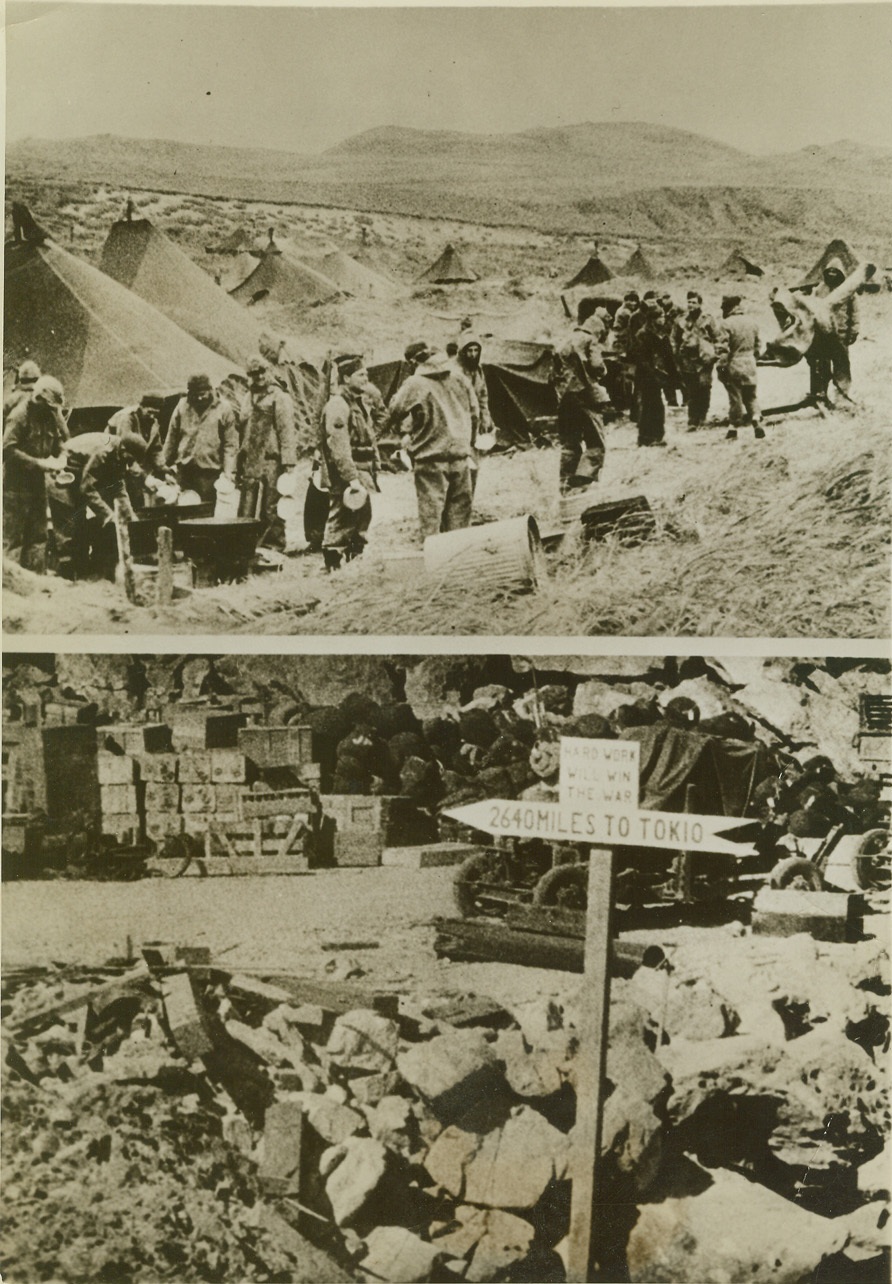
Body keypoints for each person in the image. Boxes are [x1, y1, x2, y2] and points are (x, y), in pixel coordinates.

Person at [385, 341, 478, 541]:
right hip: (460, 455)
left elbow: (395, 410)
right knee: (460, 518)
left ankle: (435, 562)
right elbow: (475, 413)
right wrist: (469, 443)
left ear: (412, 361)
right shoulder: (459, 377)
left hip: (431, 457)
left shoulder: (415, 383)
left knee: (432, 518)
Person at [49, 431, 159, 579]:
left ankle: (84, 575)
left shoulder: (121, 455)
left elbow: (118, 488)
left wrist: (130, 516)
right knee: (70, 528)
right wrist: (109, 515)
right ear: (124, 450)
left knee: (84, 527)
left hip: (79, 476)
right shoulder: (104, 453)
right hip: (61, 477)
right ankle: (66, 577)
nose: (130, 464)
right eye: (131, 459)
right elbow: (86, 489)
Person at [318, 354, 379, 571]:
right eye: (360, 374)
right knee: (342, 518)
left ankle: (355, 561)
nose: (366, 379)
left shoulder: (357, 403)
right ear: (346, 378)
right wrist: (351, 478)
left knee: (361, 517)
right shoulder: (338, 405)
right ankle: (332, 564)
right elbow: (338, 444)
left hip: (361, 471)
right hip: (346, 474)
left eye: (366, 374)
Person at [3, 375, 69, 572]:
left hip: (38, 485)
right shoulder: (19, 417)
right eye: (50, 406)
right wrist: (38, 463)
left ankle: (36, 585)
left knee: (39, 537)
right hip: (15, 487)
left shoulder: (49, 416)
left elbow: (60, 442)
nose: (53, 411)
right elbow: (7, 450)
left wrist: (62, 457)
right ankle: (10, 591)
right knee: (14, 539)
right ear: (38, 399)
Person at [238, 357, 298, 550]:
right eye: (254, 374)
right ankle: (248, 546)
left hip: (271, 460)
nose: (259, 377)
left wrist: (289, 463)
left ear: (268, 371)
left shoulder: (279, 397)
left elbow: (286, 430)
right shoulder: (247, 398)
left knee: (272, 505)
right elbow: (243, 428)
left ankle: (274, 545)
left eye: (262, 372)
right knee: (247, 505)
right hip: (251, 460)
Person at [552, 310, 609, 490]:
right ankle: (583, 481)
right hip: (585, 397)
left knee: (569, 444)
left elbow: (552, 373)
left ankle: (565, 483)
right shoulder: (590, 340)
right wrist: (601, 373)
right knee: (596, 443)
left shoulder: (565, 340)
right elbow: (597, 365)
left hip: (565, 399)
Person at [163, 375, 237, 505]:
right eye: (194, 394)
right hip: (185, 472)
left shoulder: (224, 409)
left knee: (207, 512)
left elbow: (230, 444)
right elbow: (171, 438)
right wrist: (163, 467)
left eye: (202, 394)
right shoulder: (182, 406)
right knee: (184, 509)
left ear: (210, 390)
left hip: (210, 473)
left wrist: (228, 472)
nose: (199, 398)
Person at [716, 295, 764, 441]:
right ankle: (756, 418)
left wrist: (721, 367)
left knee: (735, 397)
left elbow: (722, 349)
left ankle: (733, 428)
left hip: (734, 364)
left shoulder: (725, 324)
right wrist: (753, 358)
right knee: (751, 395)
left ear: (728, 307)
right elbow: (758, 346)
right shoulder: (752, 322)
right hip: (750, 363)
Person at [811, 261, 859, 402]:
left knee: (841, 366)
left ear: (841, 274)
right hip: (822, 335)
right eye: (829, 271)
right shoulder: (819, 289)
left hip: (840, 335)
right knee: (821, 365)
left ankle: (842, 395)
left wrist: (854, 331)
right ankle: (819, 394)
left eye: (835, 271)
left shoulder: (849, 291)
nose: (832, 274)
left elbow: (855, 313)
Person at [671, 291, 720, 430]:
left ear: (699, 304)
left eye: (694, 302)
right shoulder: (680, 320)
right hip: (687, 359)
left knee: (704, 387)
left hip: (704, 360)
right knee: (691, 389)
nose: (691, 305)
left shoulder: (708, 319)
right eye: (689, 302)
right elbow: (674, 338)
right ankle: (693, 419)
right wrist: (676, 355)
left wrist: (714, 354)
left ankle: (702, 415)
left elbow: (717, 337)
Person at [107, 393, 165, 507]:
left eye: (155, 413)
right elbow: (122, 449)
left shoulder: (153, 423)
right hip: (115, 462)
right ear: (141, 407)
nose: (152, 416)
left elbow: (155, 449)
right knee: (122, 500)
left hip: (136, 464)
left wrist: (163, 468)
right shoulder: (126, 418)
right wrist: (143, 475)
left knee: (138, 498)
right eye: (150, 412)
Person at [452, 330, 492, 493]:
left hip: (474, 423)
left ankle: (468, 497)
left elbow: (483, 394)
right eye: (469, 350)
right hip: (460, 422)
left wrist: (486, 417)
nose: (473, 354)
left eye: (476, 350)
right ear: (462, 351)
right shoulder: (455, 371)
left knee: (474, 464)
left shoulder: (478, 370)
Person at [629, 299, 670, 447]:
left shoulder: (657, 333)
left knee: (655, 405)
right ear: (653, 319)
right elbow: (641, 358)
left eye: (664, 316)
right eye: (661, 317)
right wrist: (653, 373)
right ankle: (648, 437)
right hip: (646, 376)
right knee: (650, 406)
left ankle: (654, 436)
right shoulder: (643, 334)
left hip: (654, 375)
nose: (663, 319)